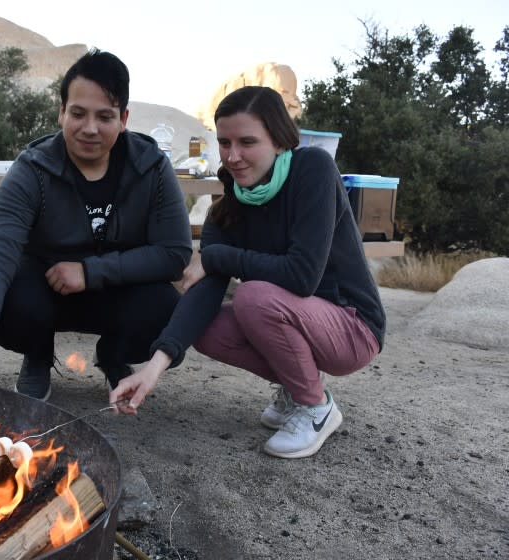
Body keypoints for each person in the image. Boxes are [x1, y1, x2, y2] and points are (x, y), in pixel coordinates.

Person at [109, 86, 385, 459]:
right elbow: (203, 291)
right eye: (224, 142)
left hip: (352, 326)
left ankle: (316, 408)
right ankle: (297, 384)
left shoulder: (312, 170)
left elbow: (302, 275)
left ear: (279, 139)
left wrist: (220, 257)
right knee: (204, 326)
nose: (233, 156)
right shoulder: (229, 206)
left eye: (247, 142)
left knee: (253, 297)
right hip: (301, 320)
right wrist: (153, 368)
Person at [0, 49, 192, 401]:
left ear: (124, 118)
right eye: (78, 113)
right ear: (62, 112)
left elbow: (174, 253)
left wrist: (91, 271)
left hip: (119, 291)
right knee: (10, 293)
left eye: (105, 116)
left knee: (166, 309)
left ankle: (113, 356)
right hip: (46, 292)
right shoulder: (32, 168)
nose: (90, 128)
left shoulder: (152, 167)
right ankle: (37, 353)